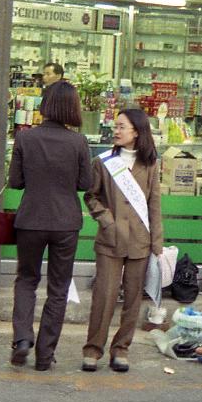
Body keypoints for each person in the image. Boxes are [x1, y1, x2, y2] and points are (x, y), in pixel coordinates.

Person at [9, 80, 93, 371]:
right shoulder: (79, 142)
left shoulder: (25, 138)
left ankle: (21, 340)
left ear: (45, 105)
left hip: (30, 219)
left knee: (26, 280)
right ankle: (45, 355)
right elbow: (86, 184)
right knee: (58, 288)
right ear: (72, 107)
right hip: (66, 222)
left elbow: (15, 182)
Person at [82, 108, 163, 373]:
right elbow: (91, 196)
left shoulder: (151, 164)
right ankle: (93, 349)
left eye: (121, 127)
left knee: (132, 298)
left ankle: (121, 349)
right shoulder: (103, 162)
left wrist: (157, 244)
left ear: (136, 132)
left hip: (140, 239)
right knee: (104, 296)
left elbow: (154, 205)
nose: (115, 131)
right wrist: (106, 219)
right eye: (115, 127)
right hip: (110, 239)